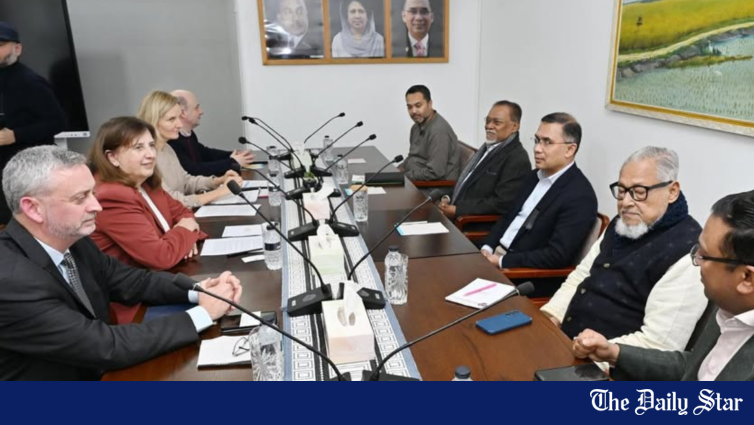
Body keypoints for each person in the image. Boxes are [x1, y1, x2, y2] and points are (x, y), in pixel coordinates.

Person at [0, 145, 241, 380]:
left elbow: (132, 281)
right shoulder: (10, 281)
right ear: (33, 208)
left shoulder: (73, 240)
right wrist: (203, 314)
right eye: (80, 198)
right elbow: (103, 346)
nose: (96, 206)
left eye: (92, 193)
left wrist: (199, 290)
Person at [573, 191, 754, 381]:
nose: (696, 260)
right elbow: (693, 366)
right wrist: (614, 352)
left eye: (704, 255)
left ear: (747, 278)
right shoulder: (731, 305)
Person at [541, 147, 707, 351]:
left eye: (639, 192)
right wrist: (551, 316)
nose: (626, 202)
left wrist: (597, 351)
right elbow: (582, 275)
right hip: (565, 339)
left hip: (605, 361)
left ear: (672, 192)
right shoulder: (622, 223)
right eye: (621, 191)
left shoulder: (689, 252)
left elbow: (658, 345)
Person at [481, 113, 597, 296]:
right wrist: (487, 248)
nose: (537, 149)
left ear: (570, 149)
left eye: (547, 142)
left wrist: (502, 261)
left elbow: (556, 255)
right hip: (494, 259)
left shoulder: (580, 195)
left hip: (523, 277)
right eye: (537, 140)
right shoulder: (533, 177)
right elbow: (507, 217)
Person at [0, 21, 66, 225]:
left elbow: (57, 122)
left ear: (17, 49)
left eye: (1, 45)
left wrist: (15, 135)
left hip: (24, 173)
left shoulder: (29, 82)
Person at [137, 90, 241, 208]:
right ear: (153, 121)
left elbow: (186, 181)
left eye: (178, 118)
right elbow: (171, 200)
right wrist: (219, 192)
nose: (179, 125)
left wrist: (217, 181)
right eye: (171, 119)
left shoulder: (167, 148)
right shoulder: (147, 159)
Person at [438, 101, 530, 220]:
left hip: (473, 223)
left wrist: (458, 210)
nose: (489, 126)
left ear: (515, 127)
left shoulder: (517, 158)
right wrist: (447, 198)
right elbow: (467, 182)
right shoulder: (488, 148)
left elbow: (502, 203)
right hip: (456, 212)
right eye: (487, 121)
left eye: (497, 122)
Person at [168, 89, 254, 177]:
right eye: (196, 108)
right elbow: (193, 170)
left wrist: (234, 155)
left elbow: (205, 153)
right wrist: (232, 161)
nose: (201, 112)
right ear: (183, 113)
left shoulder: (188, 134)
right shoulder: (171, 139)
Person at [399, 85, 461, 182]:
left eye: (418, 105)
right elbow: (413, 158)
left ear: (429, 104)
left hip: (432, 186)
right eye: (409, 107)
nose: (413, 111)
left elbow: (435, 172)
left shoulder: (438, 132)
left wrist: (405, 176)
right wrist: (396, 171)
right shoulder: (416, 127)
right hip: (416, 180)